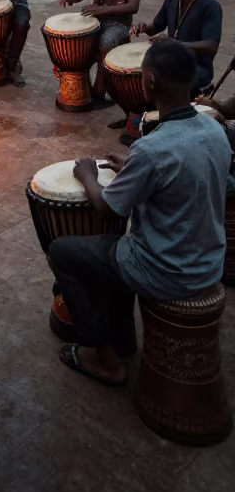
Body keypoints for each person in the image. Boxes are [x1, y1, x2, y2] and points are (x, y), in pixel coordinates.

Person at [49, 40, 232, 387]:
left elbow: (106, 207)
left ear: (148, 82)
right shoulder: (214, 129)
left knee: (64, 251)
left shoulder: (151, 149)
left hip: (166, 269)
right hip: (209, 262)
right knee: (113, 247)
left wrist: (88, 174)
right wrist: (134, 167)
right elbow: (180, 175)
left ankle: (103, 357)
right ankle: (123, 339)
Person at [135, 0, 222, 96]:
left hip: (197, 67)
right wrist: (144, 27)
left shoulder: (210, 6)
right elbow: (155, 27)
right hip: (172, 61)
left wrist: (173, 43)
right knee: (142, 74)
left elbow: (211, 46)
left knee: (160, 80)